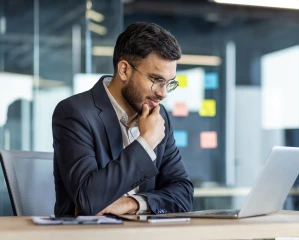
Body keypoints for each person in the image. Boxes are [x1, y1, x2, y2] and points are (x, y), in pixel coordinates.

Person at [52, 22, 194, 216]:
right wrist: (146, 143)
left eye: (169, 83)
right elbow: (88, 200)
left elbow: (183, 194)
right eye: (156, 80)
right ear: (124, 70)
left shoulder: (158, 118)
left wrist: (131, 203)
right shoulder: (75, 113)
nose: (163, 93)